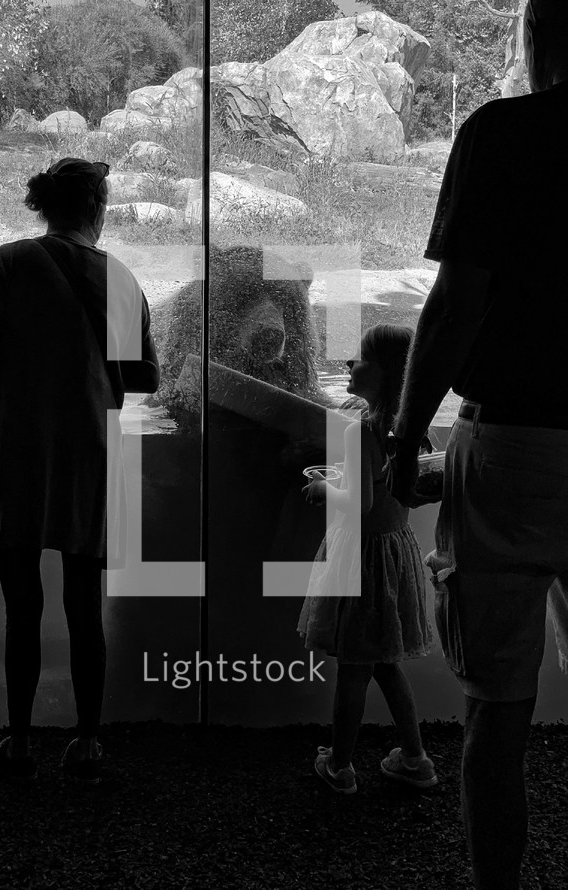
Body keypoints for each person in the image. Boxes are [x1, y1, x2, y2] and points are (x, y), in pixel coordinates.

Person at [387, 2, 568, 886]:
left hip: (507, 446)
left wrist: (403, 433)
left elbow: (457, 305)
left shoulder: (501, 133)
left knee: (495, 708)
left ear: (541, 36)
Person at [0, 157, 160, 784]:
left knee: (23, 603)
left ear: (42, 205)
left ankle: (18, 744)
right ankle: (88, 741)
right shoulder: (119, 278)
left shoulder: (8, 263)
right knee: (82, 605)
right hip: (88, 457)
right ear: (97, 207)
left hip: (17, 450)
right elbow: (146, 377)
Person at [298, 324, 437, 795]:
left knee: (356, 667)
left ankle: (339, 766)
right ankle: (415, 759)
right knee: (385, 662)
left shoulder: (363, 433)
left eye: (357, 359)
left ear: (383, 373)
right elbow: (391, 492)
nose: (347, 365)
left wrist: (322, 487)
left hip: (363, 560)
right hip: (393, 553)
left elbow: (355, 505)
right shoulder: (409, 431)